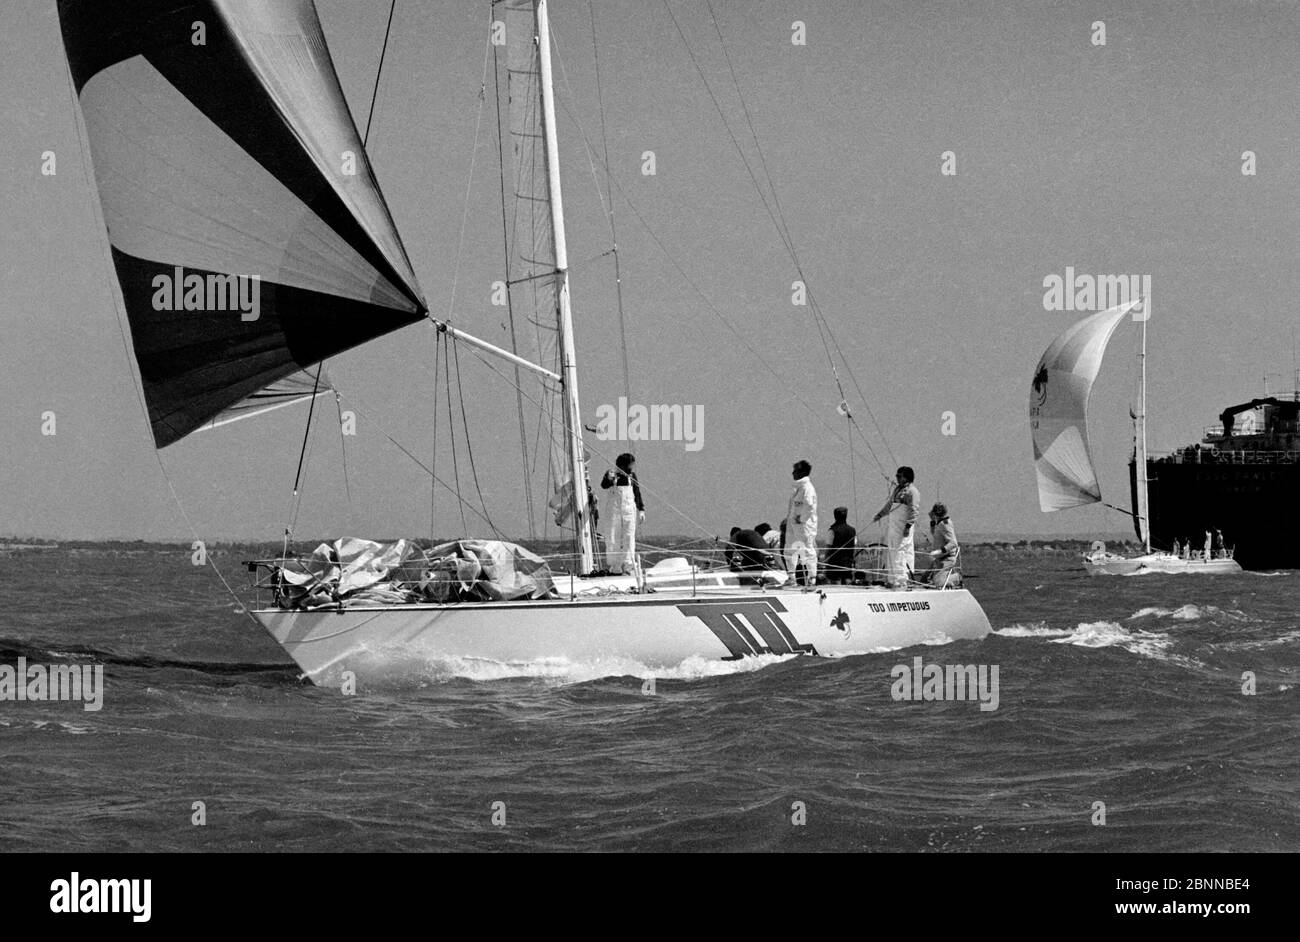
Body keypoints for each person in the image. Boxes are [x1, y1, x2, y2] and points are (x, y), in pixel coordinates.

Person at [873, 466, 921, 588]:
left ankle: (901, 581)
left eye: (899, 476)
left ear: (906, 477)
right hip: (893, 527)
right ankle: (892, 579)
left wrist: (908, 526)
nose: (897, 478)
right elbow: (890, 505)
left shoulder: (912, 491)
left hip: (903, 528)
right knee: (892, 551)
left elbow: (914, 511)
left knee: (901, 552)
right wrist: (880, 514)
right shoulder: (897, 490)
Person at [601, 453, 644, 574]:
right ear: (623, 465)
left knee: (629, 536)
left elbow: (637, 493)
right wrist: (609, 478)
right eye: (630, 464)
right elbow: (604, 485)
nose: (631, 467)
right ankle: (615, 565)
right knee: (613, 536)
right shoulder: (612, 474)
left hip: (629, 510)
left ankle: (628, 564)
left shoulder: (632, 476)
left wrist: (641, 509)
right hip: (614, 510)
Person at [784, 460, 818, 586]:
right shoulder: (797, 488)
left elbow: (810, 506)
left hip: (804, 525)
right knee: (789, 548)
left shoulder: (807, 488)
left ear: (802, 472)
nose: (793, 473)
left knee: (808, 549)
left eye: (796, 470)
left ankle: (811, 579)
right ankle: (791, 577)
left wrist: (801, 518)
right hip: (792, 523)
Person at [926, 502, 960, 586]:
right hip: (939, 559)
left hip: (946, 558)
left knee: (938, 582)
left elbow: (953, 543)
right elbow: (934, 533)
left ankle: (957, 577)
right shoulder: (939, 523)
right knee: (925, 579)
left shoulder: (945, 524)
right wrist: (932, 521)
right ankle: (946, 577)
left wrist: (939, 551)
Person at [824, 507, 857, 584]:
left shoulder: (832, 530)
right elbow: (854, 546)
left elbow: (828, 548)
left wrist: (825, 562)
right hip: (848, 563)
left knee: (835, 582)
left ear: (835, 516)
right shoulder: (852, 530)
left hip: (834, 563)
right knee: (847, 580)